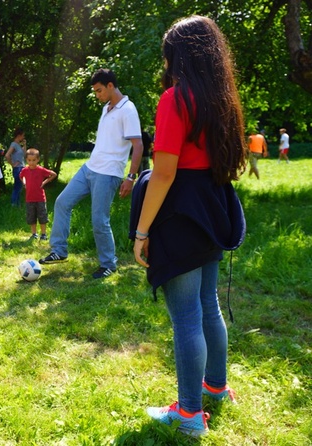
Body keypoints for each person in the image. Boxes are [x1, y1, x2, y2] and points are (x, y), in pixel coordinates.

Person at [131, 16, 247, 437]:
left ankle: (189, 414)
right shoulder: (225, 99)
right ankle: (216, 387)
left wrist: (142, 232)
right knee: (208, 305)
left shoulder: (175, 99)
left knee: (186, 317)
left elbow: (163, 174)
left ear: (178, 56)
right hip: (214, 204)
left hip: (181, 209)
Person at [39, 68, 143, 280]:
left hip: (109, 173)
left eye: (99, 90)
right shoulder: (107, 107)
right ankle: (59, 250)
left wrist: (130, 177)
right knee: (62, 202)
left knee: (99, 220)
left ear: (111, 86)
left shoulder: (128, 109)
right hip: (90, 168)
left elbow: (138, 145)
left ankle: (108, 263)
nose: (97, 95)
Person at [19, 148, 57, 240]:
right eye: (29, 160)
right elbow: (21, 176)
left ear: (38, 159)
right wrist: (24, 182)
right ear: (26, 160)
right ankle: (34, 234)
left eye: (34, 160)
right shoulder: (25, 170)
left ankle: (43, 234)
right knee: (31, 217)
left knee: (42, 216)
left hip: (40, 198)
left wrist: (44, 182)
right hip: (29, 198)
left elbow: (53, 174)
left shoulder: (41, 170)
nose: (31, 162)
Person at [4, 128, 26, 206]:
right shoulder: (13, 144)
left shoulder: (18, 145)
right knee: (17, 187)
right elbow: (7, 155)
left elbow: (24, 154)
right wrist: (12, 164)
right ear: (19, 136)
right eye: (22, 136)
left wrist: (24, 145)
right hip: (18, 168)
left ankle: (17, 203)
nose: (23, 137)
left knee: (19, 187)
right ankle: (14, 204)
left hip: (21, 168)